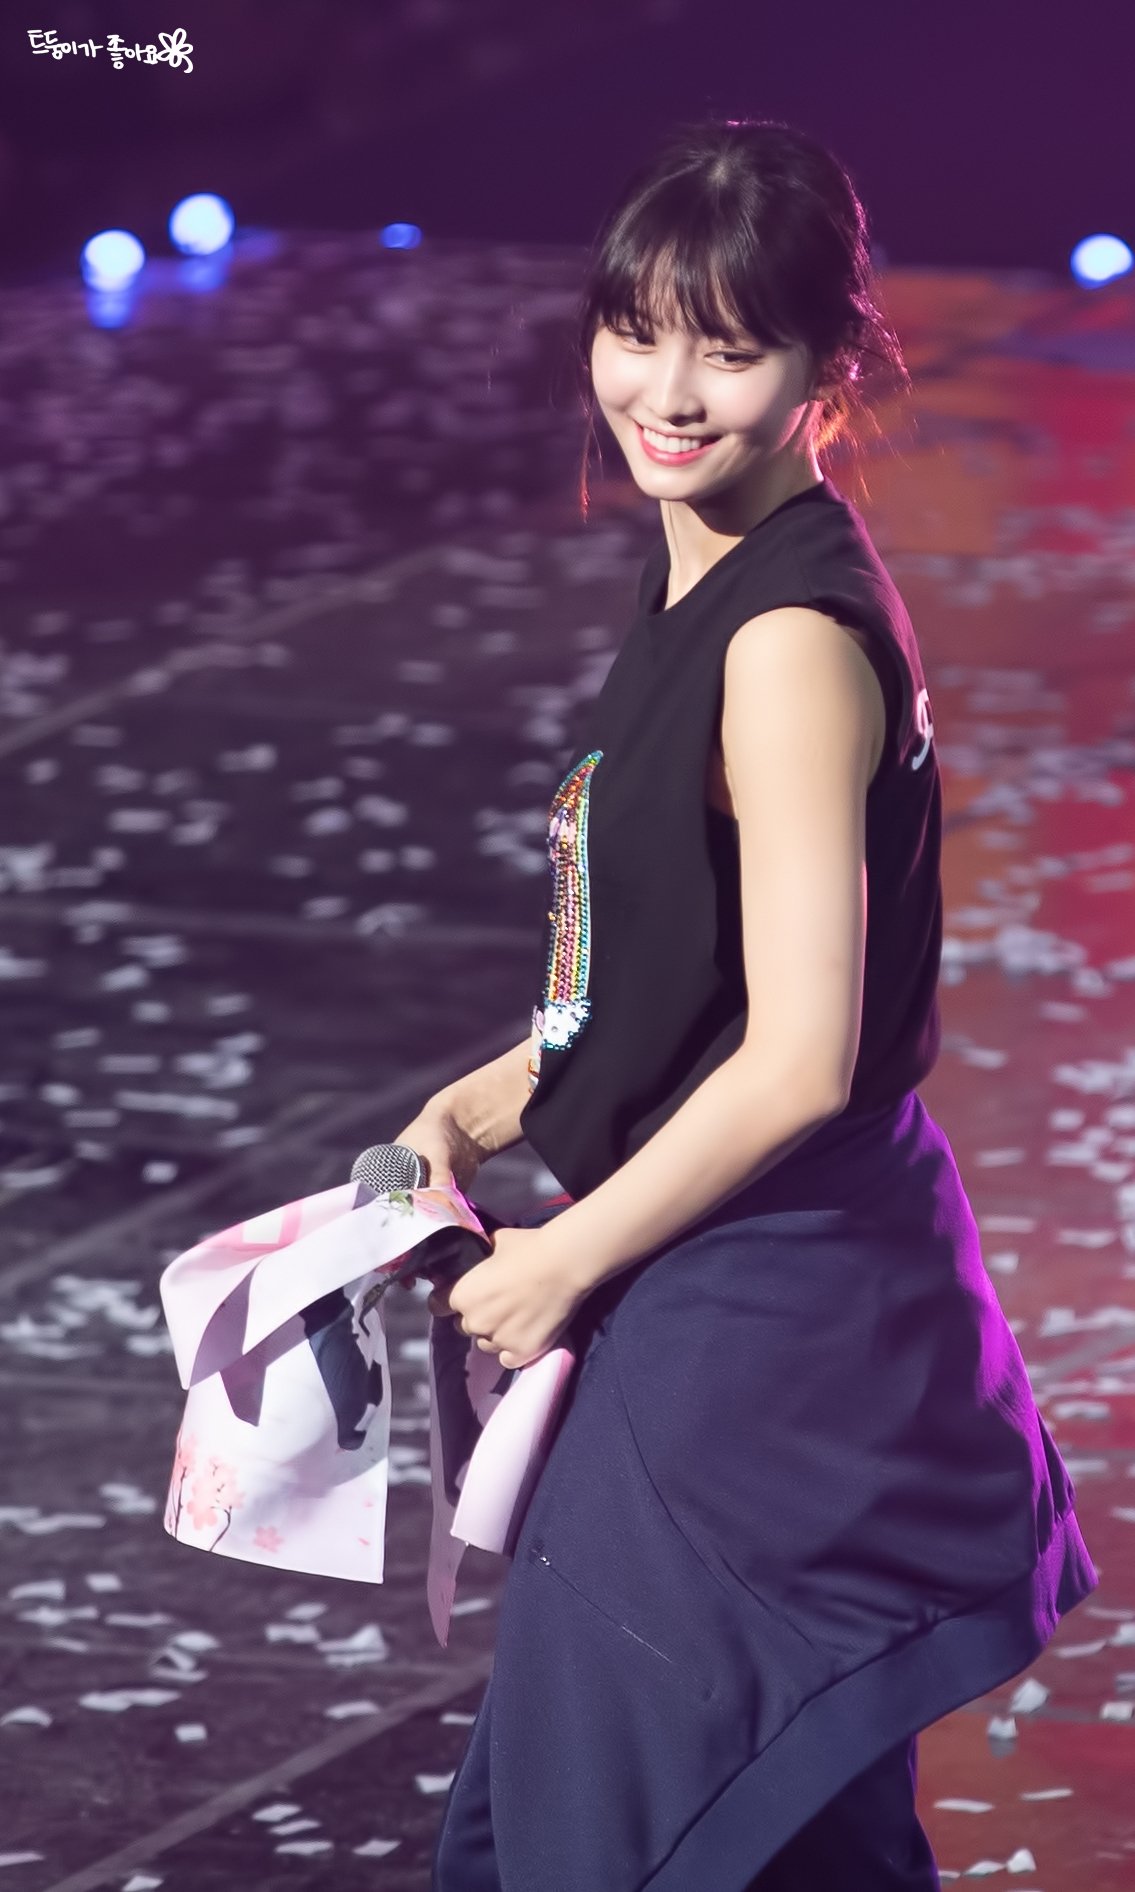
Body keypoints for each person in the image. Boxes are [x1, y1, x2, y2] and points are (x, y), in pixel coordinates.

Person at [393, 116, 1100, 1892]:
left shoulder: (785, 643)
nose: (669, 392)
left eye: (729, 348)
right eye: (637, 332)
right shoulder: (703, 563)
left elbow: (799, 1057)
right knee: (770, 1833)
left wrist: (559, 1258)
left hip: (766, 1322)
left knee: (629, 1830)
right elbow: (682, 964)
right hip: (729, 1285)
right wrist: (495, 1096)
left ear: (831, 363)